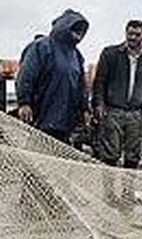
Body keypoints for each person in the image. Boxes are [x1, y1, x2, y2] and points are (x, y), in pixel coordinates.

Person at [91, 20, 142, 169]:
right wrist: (99, 104)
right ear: (125, 33)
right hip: (113, 112)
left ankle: (127, 192)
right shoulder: (110, 54)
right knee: (109, 155)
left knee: (133, 156)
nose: (133, 37)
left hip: (136, 114)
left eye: (137, 34)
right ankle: (108, 191)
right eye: (130, 33)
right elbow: (99, 82)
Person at [15, 9, 91, 143]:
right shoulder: (41, 47)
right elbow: (26, 76)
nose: (79, 32)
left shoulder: (77, 56)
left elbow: (81, 86)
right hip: (41, 119)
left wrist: (84, 108)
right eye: (75, 27)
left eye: (82, 30)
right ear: (64, 25)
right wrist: (24, 102)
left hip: (66, 124)